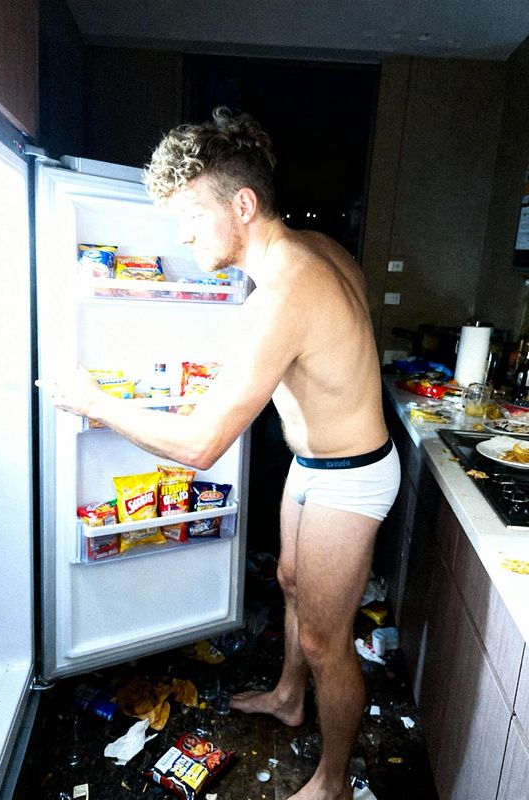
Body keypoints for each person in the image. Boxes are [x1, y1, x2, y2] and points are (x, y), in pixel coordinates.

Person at [42, 107, 400, 800]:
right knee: (293, 580)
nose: (181, 234)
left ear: (243, 204)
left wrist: (95, 401)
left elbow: (204, 446)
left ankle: (330, 781)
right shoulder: (315, 249)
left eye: (191, 216)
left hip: (349, 478)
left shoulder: (286, 292)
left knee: (331, 641)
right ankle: (290, 697)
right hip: (317, 462)